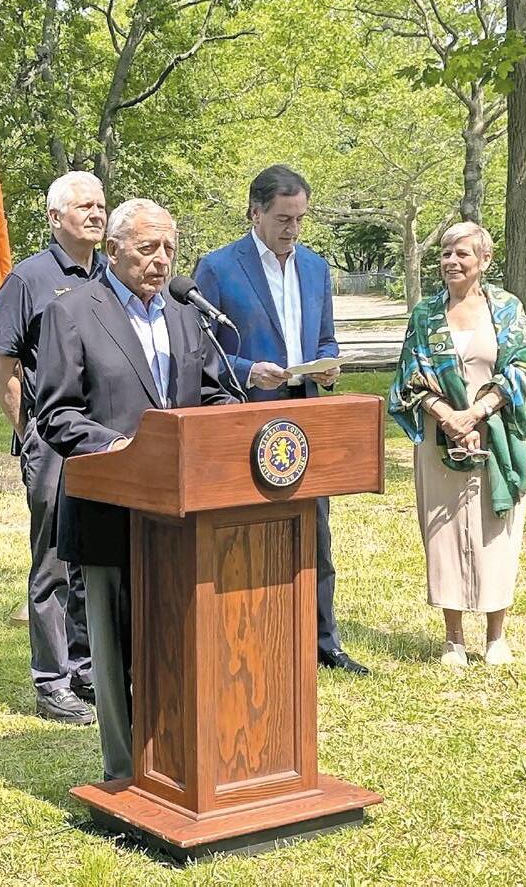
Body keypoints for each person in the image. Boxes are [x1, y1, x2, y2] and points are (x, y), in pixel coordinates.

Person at [35, 199, 236, 781]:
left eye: (169, 248)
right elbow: (57, 414)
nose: (161, 260)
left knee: (179, 640)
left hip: (185, 511)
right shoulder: (72, 312)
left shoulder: (185, 314)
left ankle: (179, 763)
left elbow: (213, 394)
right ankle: (125, 774)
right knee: (116, 651)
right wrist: (125, 449)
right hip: (110, 509)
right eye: (148, 248)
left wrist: (231, 426)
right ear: (115, 249)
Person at [193, 164, 369, 676]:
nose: (293, 229)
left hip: (305, 411)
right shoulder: (218, 268)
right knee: (249, 530)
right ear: (255, 213)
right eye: (283, 219)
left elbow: (326, 338)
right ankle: (254, 633)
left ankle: (323, 640)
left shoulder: (315, 268)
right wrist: (249, 371)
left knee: (315, 529)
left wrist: (328, 363)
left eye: (300, 219)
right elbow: (199, 348)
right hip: (247, 414)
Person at [388, 222, 526, 667]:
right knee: (443, 535)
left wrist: (476, 413)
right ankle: (452, 638)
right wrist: (449, 417)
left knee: (496, 534)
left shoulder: (507, 309)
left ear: (484, 260)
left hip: (496, 437)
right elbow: (407, 380)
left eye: (462, 254)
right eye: (446, 254)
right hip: (441, 441)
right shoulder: (425, 315)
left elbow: (522, 372)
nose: (451, 261)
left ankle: (496, 636)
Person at [0, 171, 107, 725]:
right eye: (84, 206)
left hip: (104, 439)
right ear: (55, 217)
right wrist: (30, 432)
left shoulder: (111, 273)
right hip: (54, 440)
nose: (96, 214)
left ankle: (88, 669)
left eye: (101, 205)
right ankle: (52, 681)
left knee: (93, 555)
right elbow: (2, 367)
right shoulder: (28, 279)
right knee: (55, 561)